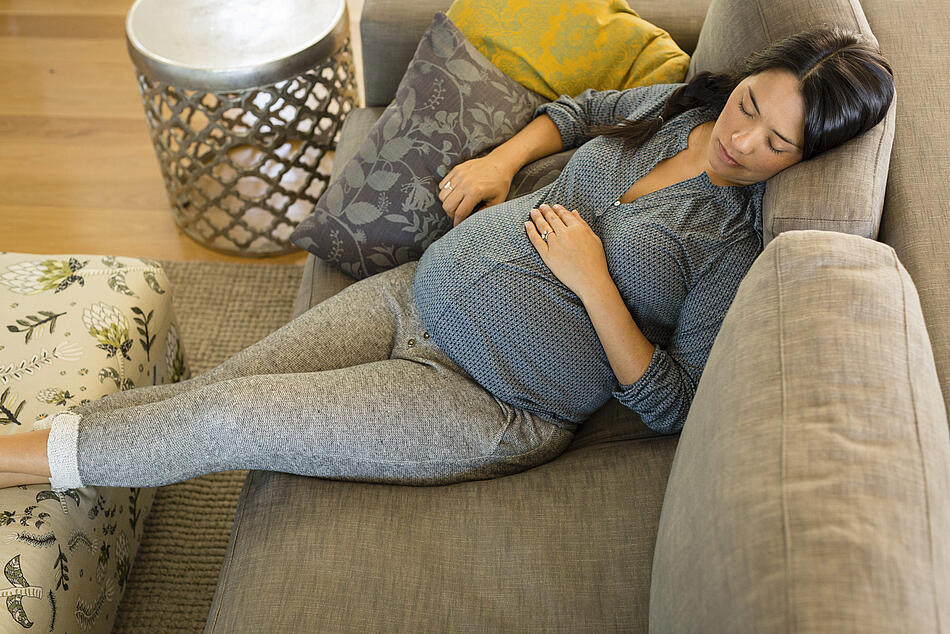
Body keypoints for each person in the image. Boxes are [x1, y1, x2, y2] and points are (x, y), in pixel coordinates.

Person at [0, 24, 893, 491]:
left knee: (230, 421)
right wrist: (502, 161)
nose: (742, 141)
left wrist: (595, 286)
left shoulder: (735, 246)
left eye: (778, 143)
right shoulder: (684, 110)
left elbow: (676, 403)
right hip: (413, 297)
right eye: (748, 107)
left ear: (804, 158)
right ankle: (54, 460)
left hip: (488, 399)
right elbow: (581, 111)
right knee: (218, 389)